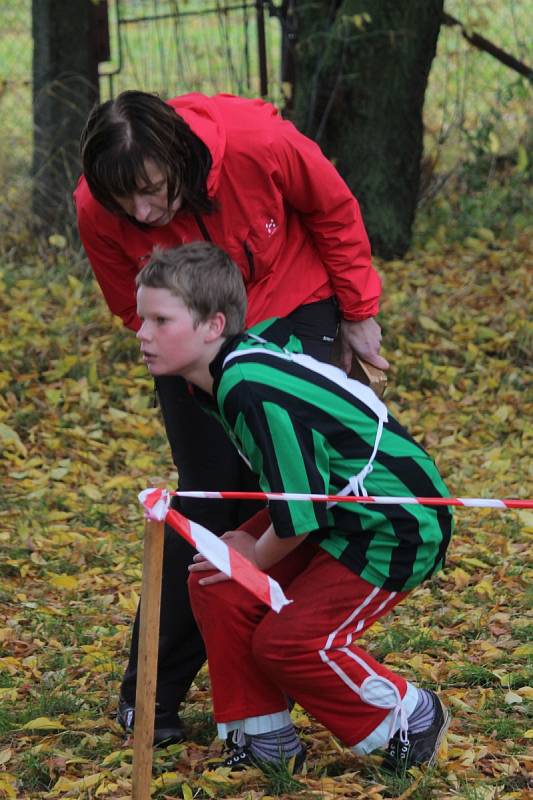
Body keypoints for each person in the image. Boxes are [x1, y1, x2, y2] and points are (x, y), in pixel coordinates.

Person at [74, 89, 389, 742]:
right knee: (205, 510)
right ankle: (154, 702)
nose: (142, 210)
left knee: (299, 488)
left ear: (181, 158)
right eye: (123, 199)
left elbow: (331, 209)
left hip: (293, 300)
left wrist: (357, 312)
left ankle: (301, 653)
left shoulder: (256, 144)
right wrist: (185, 354)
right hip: (198, 338)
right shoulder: (95, 206)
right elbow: (126, 300)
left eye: (153, 190)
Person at [135, 242, 453, 774]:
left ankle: (409, 717)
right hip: (332, 506)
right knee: (216, 582)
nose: (142, 334)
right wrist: (244, 559)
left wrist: (255, 556)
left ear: (214, 326)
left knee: (289, 642)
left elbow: (299, 510)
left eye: (160, 320)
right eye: (142, 317)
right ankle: (265, 740)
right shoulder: (219, 375)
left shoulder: (247, 386)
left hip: (392, 524)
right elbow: (301, 492)